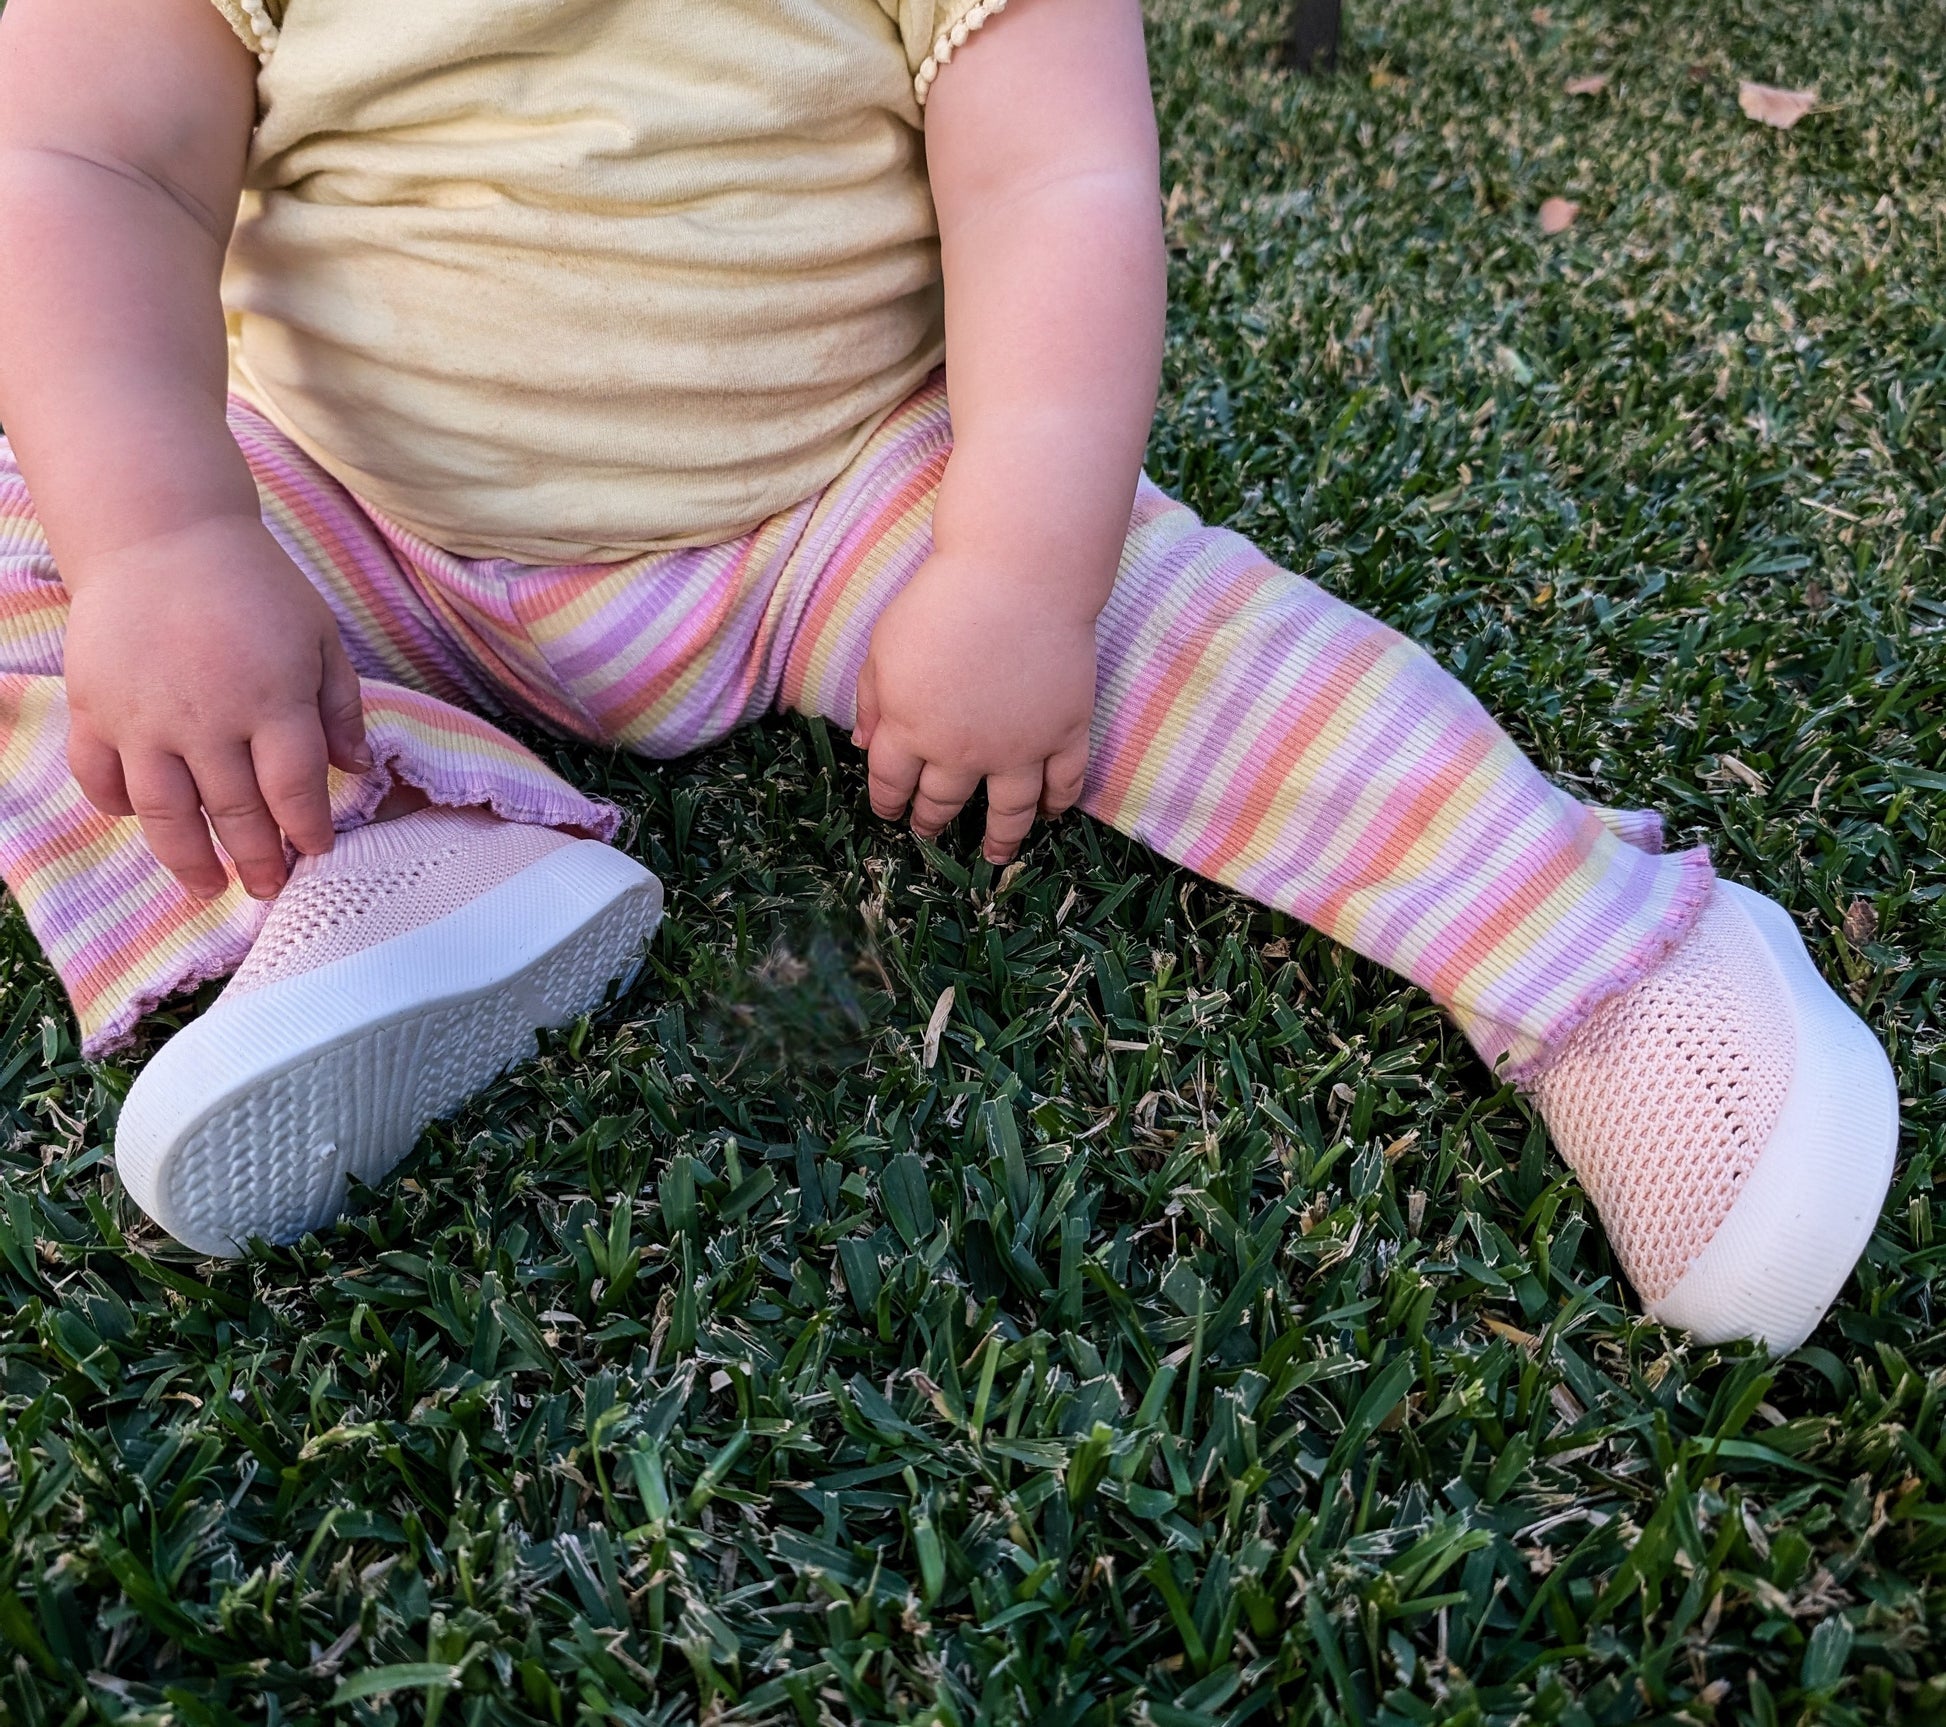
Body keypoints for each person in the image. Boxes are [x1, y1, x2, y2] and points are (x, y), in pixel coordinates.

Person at [0, 0, 1896, 1350]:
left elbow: (1053, 181)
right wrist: (166, 544)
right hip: (337, 515)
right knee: (63, 575)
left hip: (845, 499)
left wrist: (1011, 574)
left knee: (1168, 633)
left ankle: (1593, 957)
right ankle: (387, 861)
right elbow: (92, 162)